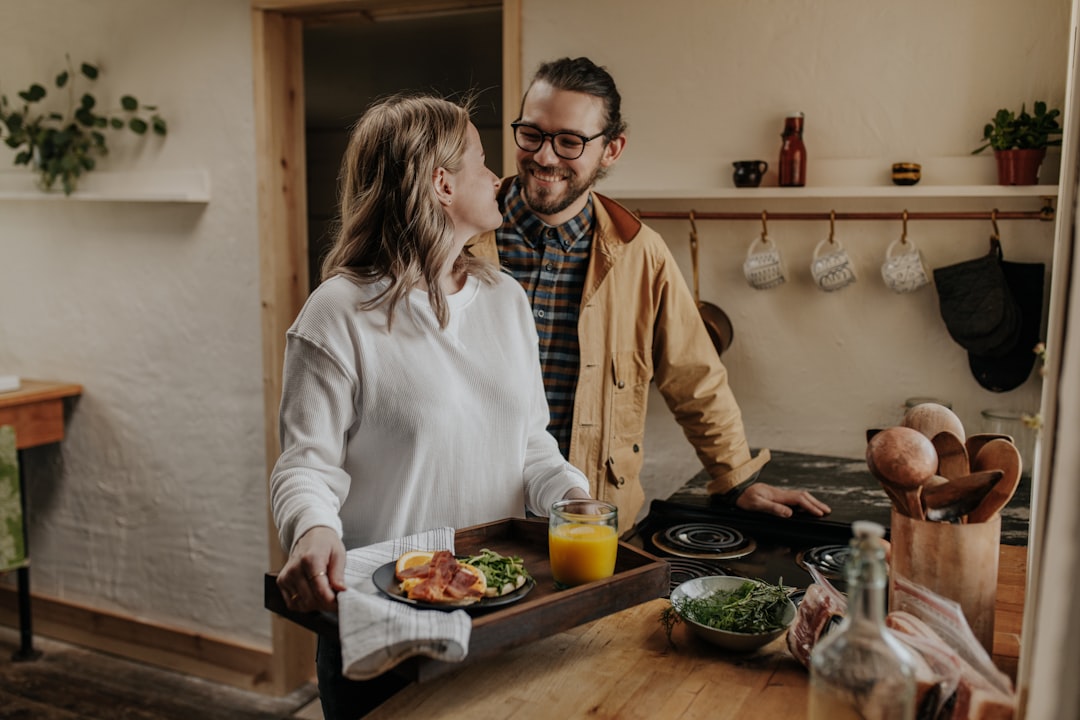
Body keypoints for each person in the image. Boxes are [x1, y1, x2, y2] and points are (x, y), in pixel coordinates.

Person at [269, 92, 590, 719]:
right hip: (383, 624)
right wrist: (311, 528)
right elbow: (306, 466)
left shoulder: (505, 300)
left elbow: (530, 445)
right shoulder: (337, 313)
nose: (499, 177)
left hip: (496, 614)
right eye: (481, 161)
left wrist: (573, 500)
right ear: (441, 183)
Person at [468, 57, 831, 530]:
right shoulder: (460, 234)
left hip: (589, 520)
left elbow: (695, 378)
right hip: (472, 510)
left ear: (612, 149)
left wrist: (736, 479)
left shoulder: (643, 256)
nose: (545, 156)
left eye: (570, 141)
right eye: (532, 134)